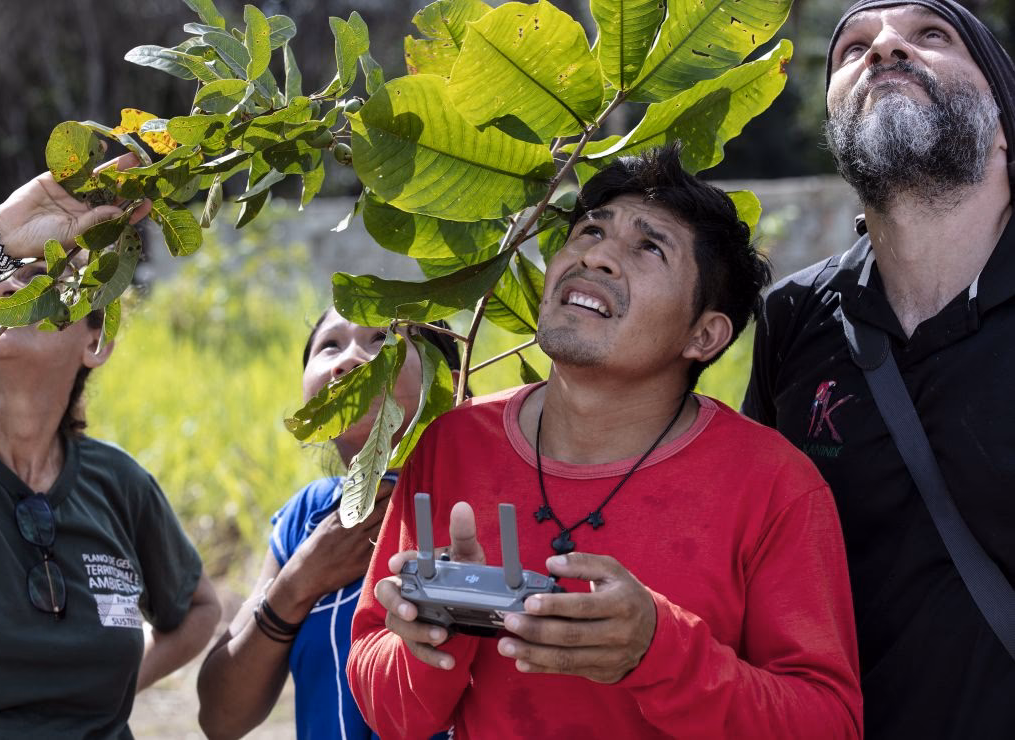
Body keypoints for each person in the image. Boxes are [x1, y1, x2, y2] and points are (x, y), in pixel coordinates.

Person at [346, 145, 863, 739]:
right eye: (591, 230)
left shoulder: (774, 485)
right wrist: (439, 628)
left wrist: (659, 651)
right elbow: (389, 713)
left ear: (703, 335)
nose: (597, 256)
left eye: (649, 247)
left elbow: (830, 723)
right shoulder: (454, 444)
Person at [742, 1, 1015, 736]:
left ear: (1003, 120)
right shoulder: (791, 317)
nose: (885, 47)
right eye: (852, 48)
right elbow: (745, 550)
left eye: (932, 34)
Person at [0, 156, 220, 737]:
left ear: (95, 340)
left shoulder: (118, 484)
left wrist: (103, 699)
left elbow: (199, 609)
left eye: (35, 275)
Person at [197, 308, 462, 740]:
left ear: (450, 384)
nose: (347, 359)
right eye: (330, 345)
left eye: (381, 339)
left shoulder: (484, 505)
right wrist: (300, 580)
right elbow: (220, 719)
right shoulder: (306, 518)